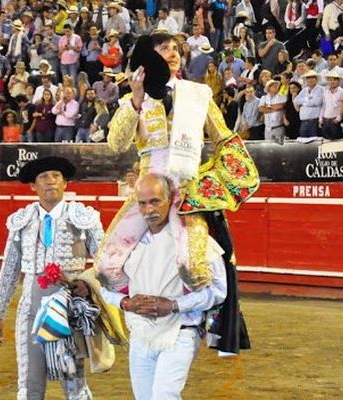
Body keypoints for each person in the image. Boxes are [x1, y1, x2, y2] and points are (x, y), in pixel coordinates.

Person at [97, 32, 258, 304]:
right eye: (164, 48)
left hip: (187, 190)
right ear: (150, 57)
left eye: (175, 48)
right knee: (105, 268)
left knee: (192, 267)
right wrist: (136, 99)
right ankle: (140, 301)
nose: (173, 53)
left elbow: (223, 136)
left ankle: (200, 318)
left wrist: (227, 176)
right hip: (149, 191)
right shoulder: (132, 100)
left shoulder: (198, 93)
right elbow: (116, 144)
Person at [0, 157, 120, 400]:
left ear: (65, 183)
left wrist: (86, 283)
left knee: (74, 380)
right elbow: (9, 269)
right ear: (33, 186)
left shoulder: (82, 217)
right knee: (29, 383)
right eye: (43, 177)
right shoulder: (23, 220)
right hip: (31, 308)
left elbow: (106, 263)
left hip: (70, 306)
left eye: (56, 176)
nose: (50, 181)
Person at [102, 173, 227, 400]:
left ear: (170, 200)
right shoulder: (126, 244)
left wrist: (174, 305)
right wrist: (125, 302)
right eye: (142, 203)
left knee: (164, 395)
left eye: (155, 201)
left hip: (180, 332)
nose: (149, 210)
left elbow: (218, 291)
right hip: (140, 333)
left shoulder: (193, 241)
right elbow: (105, 287)